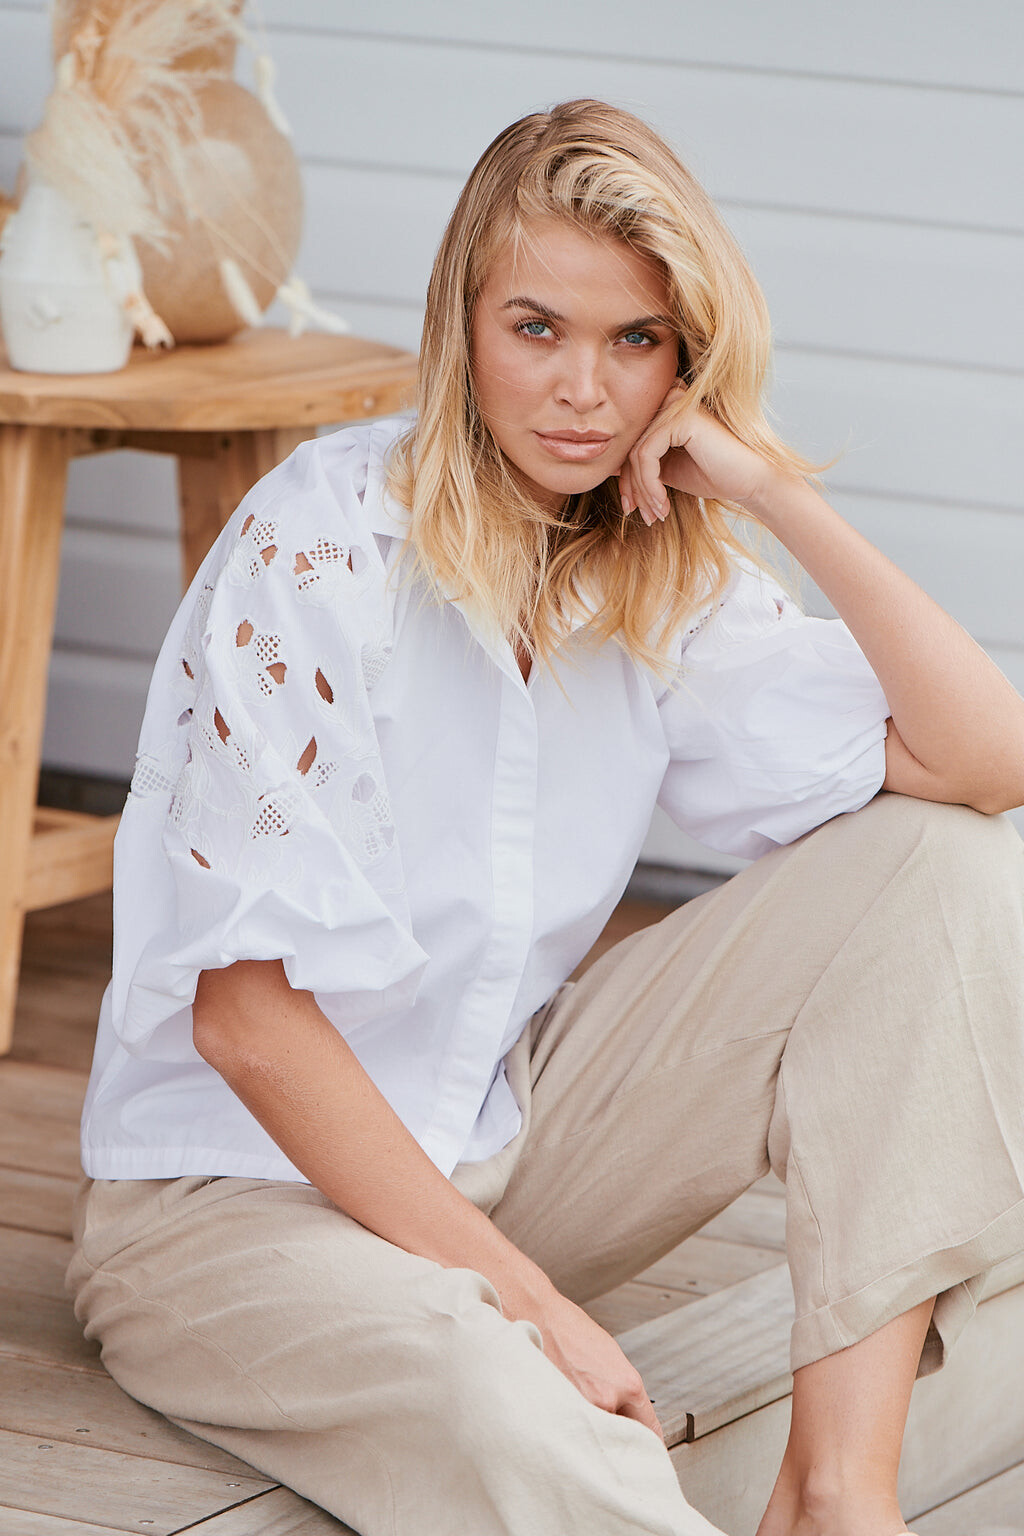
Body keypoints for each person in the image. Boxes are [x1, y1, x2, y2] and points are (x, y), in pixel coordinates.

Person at [67, 99, 1024, 1536]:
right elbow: (246, 1023)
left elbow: (987, 763)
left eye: (636, 340)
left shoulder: (657, 572)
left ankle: (839, 1497)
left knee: (941, 866)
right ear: (462, 325)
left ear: (686, 361)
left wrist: (769, 489)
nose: (586, 391)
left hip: (496, 1148)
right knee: (509, 1403)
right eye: (536, 329)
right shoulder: (318, 548)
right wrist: (532, 1308)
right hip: (222, 1212)